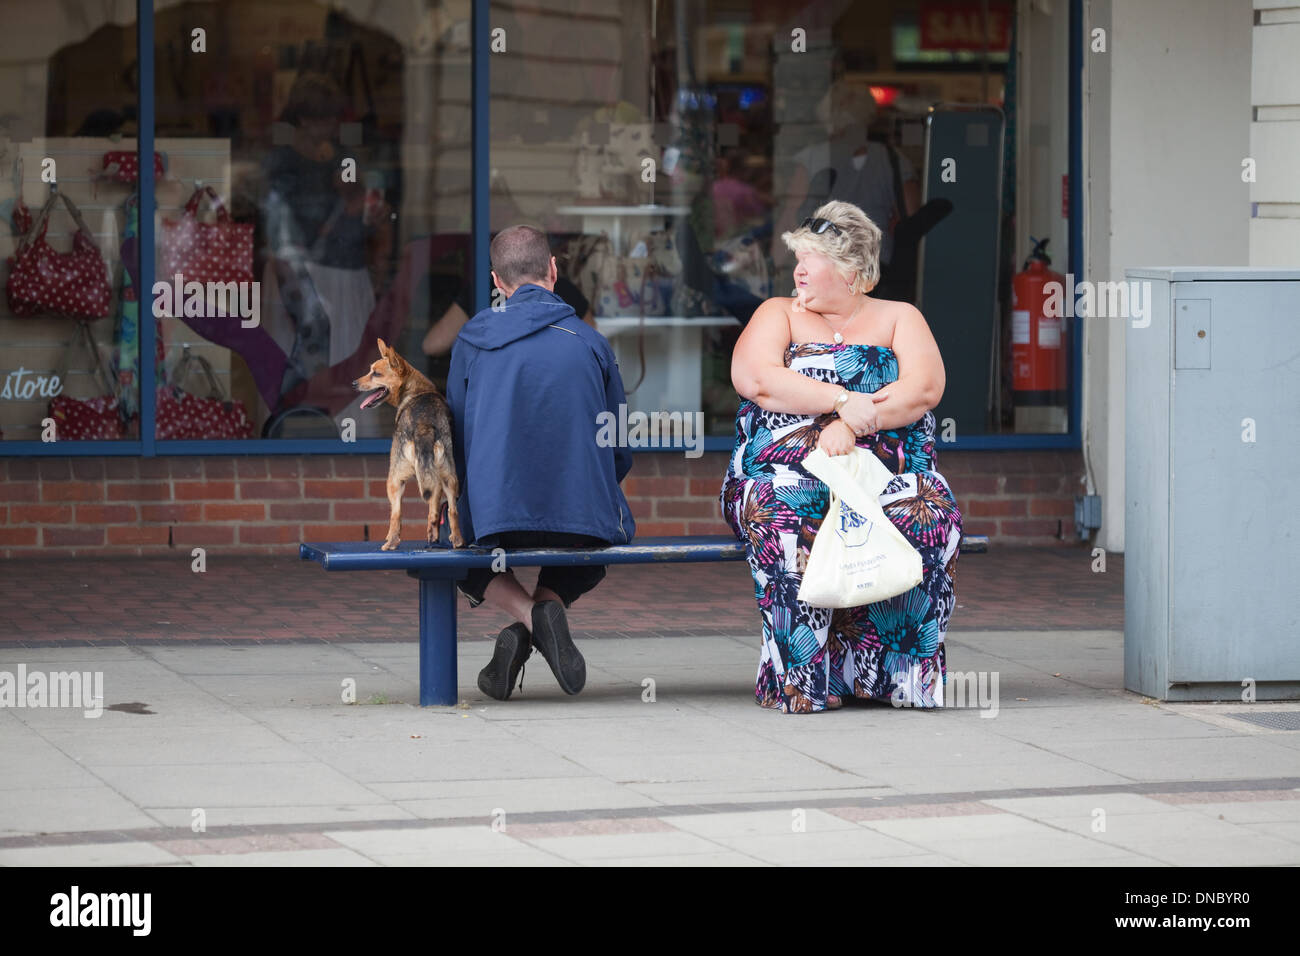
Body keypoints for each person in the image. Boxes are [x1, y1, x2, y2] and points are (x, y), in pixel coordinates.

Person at [721, 200, 962, 715]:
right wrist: (838, 400)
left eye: (810, 259)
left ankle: (897, 679)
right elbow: (757, 379)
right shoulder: (778, 314)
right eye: (798, 258)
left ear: (851, 271)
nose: (798, 271)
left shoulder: (900, 318)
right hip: (782, 471)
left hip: (882, 473)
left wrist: (848, 423)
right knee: (787, 507)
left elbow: (924, 388)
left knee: (930, 510)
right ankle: (802, 680)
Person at [447, 225, 636, 702]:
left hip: (495, 524)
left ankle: (528, 619)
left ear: (496, 280)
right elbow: (619, 446)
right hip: (579, 522)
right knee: (603, 524)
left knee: (443, 546)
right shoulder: (591, 341)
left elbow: (456, 443)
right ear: (554, 269)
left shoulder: (471, 341)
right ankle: (544, 610)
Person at [771, 79, 920, 272]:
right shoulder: (894, 160)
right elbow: (913, 219)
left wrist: (776, 264)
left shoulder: (812, 158)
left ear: (827, 117)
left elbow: (791, 217)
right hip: (877, 270)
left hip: (825, 269)